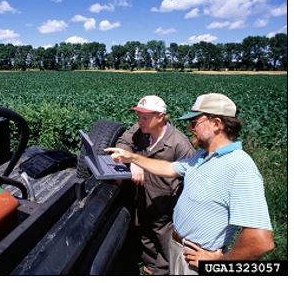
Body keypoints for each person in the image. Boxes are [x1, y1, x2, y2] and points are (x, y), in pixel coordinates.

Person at [106, 93, 274, 275]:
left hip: (197, 260)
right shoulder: (201, 157)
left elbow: (261, 240)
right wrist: (132, 158)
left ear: (217, 124)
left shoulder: (240, 167)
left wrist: (224, 263)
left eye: (195, 122)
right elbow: (168, 168)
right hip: (178, 248)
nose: (190, 127)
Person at [115, 95, 194, 275]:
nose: (139, 121)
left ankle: (163, 273)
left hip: (165, 204)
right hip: (143, 196)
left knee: (165, 242)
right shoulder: (140, 130)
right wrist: (134, 162)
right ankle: (150, 266)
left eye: (145, 117)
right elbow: (122, 142)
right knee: (145, 234)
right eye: (138, 116)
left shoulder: (178, 144)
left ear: (160, 117)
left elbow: (193, 176)